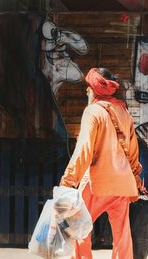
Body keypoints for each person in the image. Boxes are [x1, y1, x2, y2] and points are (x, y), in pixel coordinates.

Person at [59, 67, 143, 259]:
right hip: (122, 184)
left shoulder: (92, 112)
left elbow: (84, 150)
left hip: (96, 183)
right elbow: (132, 151)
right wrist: (136, 178)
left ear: (94, 89)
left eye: (88, 88)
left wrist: (68, 180)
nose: (86, 91)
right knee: (122, 235)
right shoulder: (123, 111)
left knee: (79, 229)